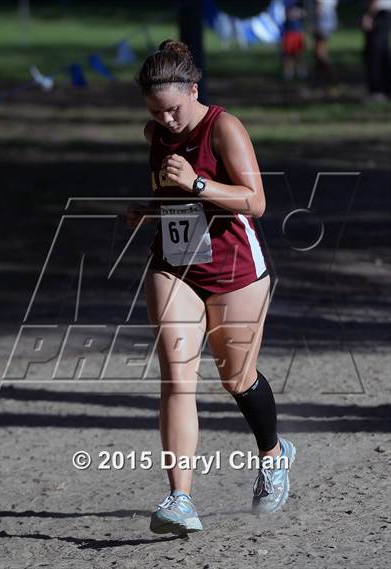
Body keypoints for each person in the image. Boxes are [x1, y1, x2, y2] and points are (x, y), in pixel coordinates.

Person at [127, 39, 296, 536]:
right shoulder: (155, 130)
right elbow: (168, 188)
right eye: (157, 113)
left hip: (236, 270)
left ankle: (273, 452)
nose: (167, 122)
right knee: (177, 378)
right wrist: (148, 206)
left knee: (235, 378)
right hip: (175, 264)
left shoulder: (224, 127)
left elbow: (255, 201)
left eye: (174, 110)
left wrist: (198, 184)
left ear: (193, 91)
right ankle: (180, 499)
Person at [362, 0, 391, 101]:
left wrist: (369, 14)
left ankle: (377, 90)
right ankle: (385, 89)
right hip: (382, 11)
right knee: (382, 50)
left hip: (379, 12)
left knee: (374, 52)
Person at [282, 0, 307, 81]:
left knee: (298, 53)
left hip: (298, 32)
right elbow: (284, 14)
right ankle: (288, 73)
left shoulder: (300, 2)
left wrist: (297, 14)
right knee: (288, 54)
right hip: (288, 32)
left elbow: (304, 13)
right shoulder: (284, 1)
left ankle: (301, 72)